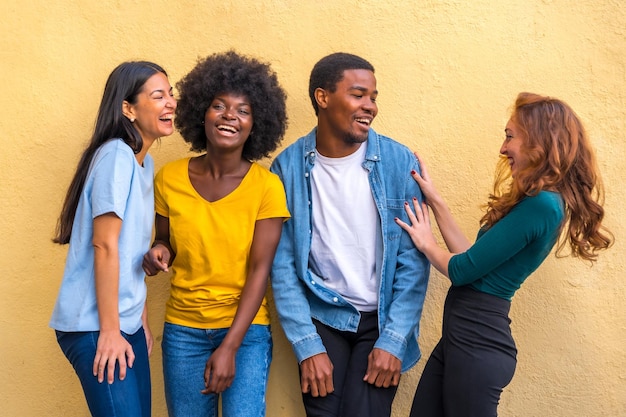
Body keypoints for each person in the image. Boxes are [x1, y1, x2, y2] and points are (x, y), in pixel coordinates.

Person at [396, 92, 614, 417]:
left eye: (510, 136)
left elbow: (461, 270)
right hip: (462, 340)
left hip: (477, 346)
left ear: (538, 141)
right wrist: (435, 200)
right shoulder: (536, 201)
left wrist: (426, 243)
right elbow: (471, 256)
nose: (503, 148)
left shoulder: (544, 206)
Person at [270, 52, 430, 417]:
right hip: (323, 315)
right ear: (322, 97)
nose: (370, 106)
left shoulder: (397, 162)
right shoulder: (287, 167)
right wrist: (306, 344)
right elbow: (282, 266)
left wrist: (394, 340)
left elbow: (413, 262)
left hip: (381, 318)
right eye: (358, 95)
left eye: (373, 97)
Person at [141, 50, 289, 417]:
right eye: (219, 106)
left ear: (257, 124)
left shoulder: (267, 188)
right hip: (183, 330)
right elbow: (166, 242)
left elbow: (260, 271)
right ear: (200, 113)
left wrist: (230, 347)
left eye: (243, 110)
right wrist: (158, 251)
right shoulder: (169, 178)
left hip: (246, 332)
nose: (229, 116)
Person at [49, 61, 177, 417]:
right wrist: (110, 331)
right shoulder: (116, 156)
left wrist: (140, 322)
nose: (170, 102)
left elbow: (127, 250)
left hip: (125, 323)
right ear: (128, 108)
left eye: (171, 94)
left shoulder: (143, 164)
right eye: (158, 96)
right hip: (95, 324)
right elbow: (104, 245)